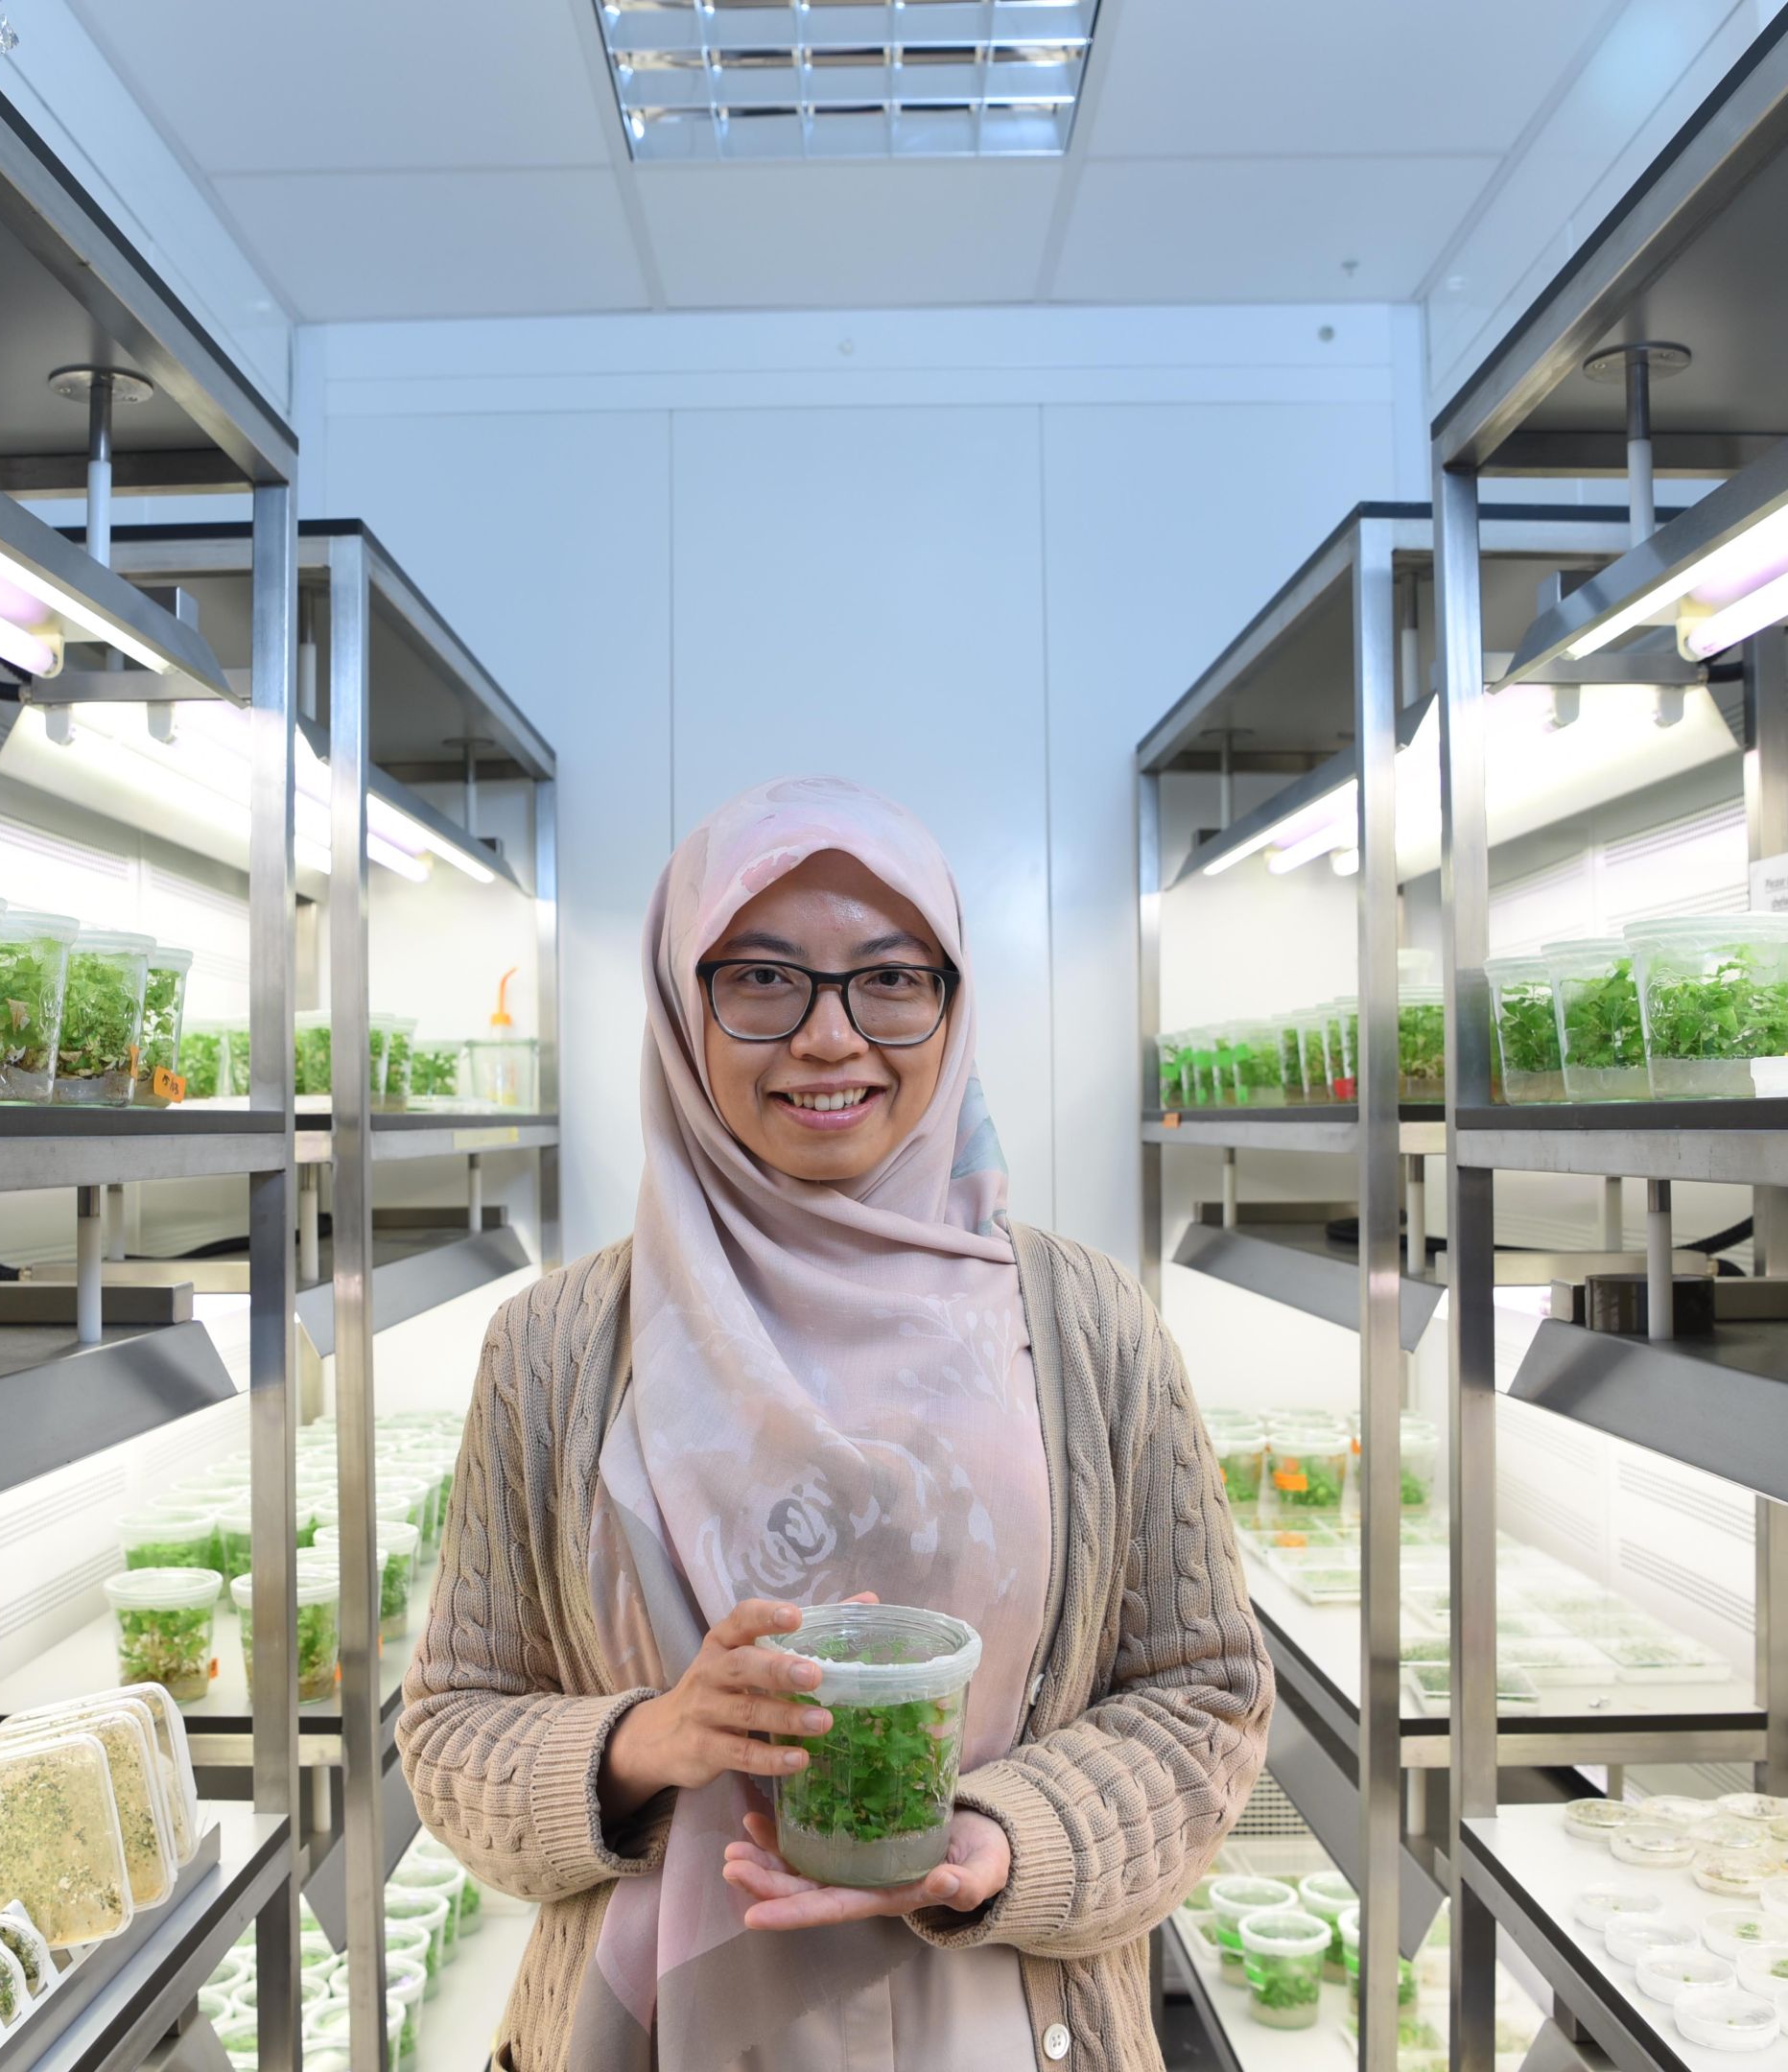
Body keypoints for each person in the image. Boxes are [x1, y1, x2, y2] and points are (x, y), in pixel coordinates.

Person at [400, 776, 1271, 2070]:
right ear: (679, 1009)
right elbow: (454, 1724)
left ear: (951, 1003)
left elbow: (1203, 1699)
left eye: (890, 978)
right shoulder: (557, 1348)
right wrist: (651, 1738)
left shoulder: (1088, 1327)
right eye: (761, 978)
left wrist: (1002, 1838)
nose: (828, 1039)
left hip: (1006, 2023)